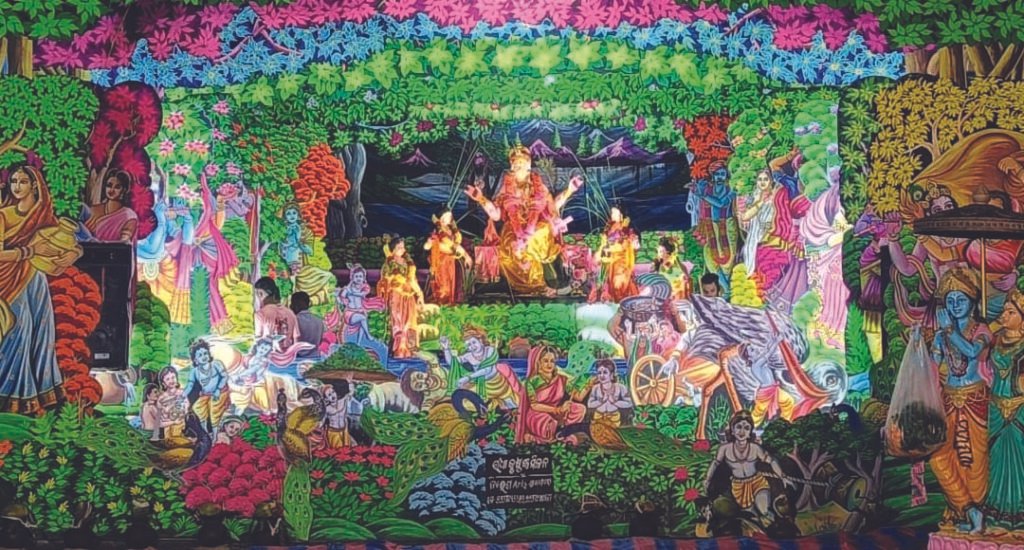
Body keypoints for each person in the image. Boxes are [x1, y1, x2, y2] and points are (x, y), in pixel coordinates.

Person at [0, 165, 82, 414]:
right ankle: (12, 396)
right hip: (10, 279)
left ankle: (46, 394)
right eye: (14, 181)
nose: (17, 187)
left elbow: (66, 242)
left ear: (35, 185)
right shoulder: (3, 215)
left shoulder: (43, 214)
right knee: (20, 328)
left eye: (22, 181)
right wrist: (30, 251)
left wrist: (74, 253)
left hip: (36, 278)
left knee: (43, 331)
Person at [465, 145, 581, 296]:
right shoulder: (506, 187)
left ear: (529, 165)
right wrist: (480, 198)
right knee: (513, 245)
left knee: (539, 234)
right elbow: (496, 215)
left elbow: (553, 206)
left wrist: (569, 190)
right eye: (516, 163)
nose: (519, 165)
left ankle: (550, 281)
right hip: (513, 230)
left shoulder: (539, 186)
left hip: (536, 227)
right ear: (512, 166)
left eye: (522, 162)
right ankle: (524, 287)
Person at [930, 267, 992, 534]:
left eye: (961, 299)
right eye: (950, 300)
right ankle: (967, 508)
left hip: (975, 399)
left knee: (976, 461)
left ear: (973, 302)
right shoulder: (940, 335)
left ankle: (980, 514)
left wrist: (948, 331)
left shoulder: (981, 330)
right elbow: (932, 369)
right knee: (940, 458)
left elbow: (971, 351)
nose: (955, 305)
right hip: (948, 400)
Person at [703, 411, 792, 526]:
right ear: (732, 430)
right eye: (739, 427)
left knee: (764, 510)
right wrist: (707, 479)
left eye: (746, 428)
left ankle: (777, 526)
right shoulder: (724, 449)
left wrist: (782, 476)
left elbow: (772, 461)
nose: (742, 431)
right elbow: (715, 463)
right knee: (752, 516)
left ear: (750, 432)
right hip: (738, 487)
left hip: (757, 483)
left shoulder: (755, 448)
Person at [983, 289, 1024, 530]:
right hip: (996, 406)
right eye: (1004, 311)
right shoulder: (996, 340)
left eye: (1011, 312)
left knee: (1019, 460)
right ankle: (997, 515)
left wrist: (1016, 401)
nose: (1005, 316)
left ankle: (1018, 517)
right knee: (997, 460)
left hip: (1019, 407)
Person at [441, 325, 521, 411]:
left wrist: (468, 378)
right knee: (467, 404)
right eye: (469, 345)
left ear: (480, 340)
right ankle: (495, 404)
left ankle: (499, 404)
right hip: (482, 386)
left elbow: (487, 369)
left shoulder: (490, 350)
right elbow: (452, 363)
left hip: (498, 385)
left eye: (474, 342)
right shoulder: (468, 356)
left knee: (513, 404)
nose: (472, 346)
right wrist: (446, 349)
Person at [517, 345, 586, 443]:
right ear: (538, 362)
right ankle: (540, 439)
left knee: (579, 409)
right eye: (545, 361)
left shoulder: (561, 379)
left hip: (556, 413)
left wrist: (589, 384)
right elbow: (534, 405)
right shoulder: (532, 382)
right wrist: (558, 410)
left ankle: (563, 432)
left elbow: (578, 397)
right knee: (547, 422)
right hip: (538, 414)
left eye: (552, 361)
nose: (549, 364)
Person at [693, 163, 738, 297]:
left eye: (722, 174)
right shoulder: (708, 189)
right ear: (713, 175)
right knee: (710, 258)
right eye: (717, 174)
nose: (719, 177)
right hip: (711, 227)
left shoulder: (731, 189)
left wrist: (702, 196)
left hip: (727, 226)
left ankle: (726, 291)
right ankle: (726, 288)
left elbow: (721, 203)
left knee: (728, 260)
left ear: (726, 175)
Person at [377, 238, 424, 358]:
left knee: (410, 322)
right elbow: (384, 281)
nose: (402, 250)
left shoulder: (408, 264)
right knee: (398, 322)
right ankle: (399, 349)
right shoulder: (389, 264)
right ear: (392, 250)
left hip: (408, 297)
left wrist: (419, 294)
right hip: (396, 296)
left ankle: (410, 348)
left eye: (403, 247)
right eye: (399, 247)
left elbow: (412, 280)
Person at [333, 264, 388, 362]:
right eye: (356, 276)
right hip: (350, 313)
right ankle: (368, 335)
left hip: (360, 311)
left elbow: (362, 294)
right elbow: (342, 296)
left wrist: (351, 292)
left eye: (361, 276)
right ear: (352, 277)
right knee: (362, 318)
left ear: (364, 278)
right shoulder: (347, 289)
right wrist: (346, 291)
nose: (359, 278)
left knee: (362, 324)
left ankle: (358, 344)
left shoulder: (364, 288)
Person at [591, 206, 640, 303]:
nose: (612, 215)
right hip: (612, 262)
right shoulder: (609, 228)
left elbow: (626, 245)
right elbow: (604, 244)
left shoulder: (626, 229)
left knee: (620, 283)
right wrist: (598, 254)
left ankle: (625, 303)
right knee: (611, 284)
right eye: (612, 213)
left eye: (615, 213)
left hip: (622, 261)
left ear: (621, 215)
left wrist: (611, 248)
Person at [424, 210, 471, 306]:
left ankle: (450, 302)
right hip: (441, 261)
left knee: (451, 281)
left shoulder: (451, 230)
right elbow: (427, 246)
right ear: (440, 219)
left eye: (449, 216)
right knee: (443, 284)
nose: (447, 219)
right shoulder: (438, 231)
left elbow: (456, 245)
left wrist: (465, 255)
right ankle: (442, 302)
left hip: (450, 260)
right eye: (445, 217)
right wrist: (429, 243)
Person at [183, 339, 229, 432]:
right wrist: (182, 396)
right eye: (200, 355)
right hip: (205, 394)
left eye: (205, 353)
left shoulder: (216, 364)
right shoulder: (194, 371)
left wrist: (218, 389)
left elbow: (225, 376)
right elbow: (190, 386)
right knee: (197, 408)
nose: (204, 357)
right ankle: (205, 432)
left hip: (220, 392)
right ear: (195, 360)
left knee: (214, 411)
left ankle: (215, 436)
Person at [81, 170, 138, 243]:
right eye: (109, 185)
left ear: (124, 190)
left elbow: (124, 242)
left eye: (117, 187)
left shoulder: (128, 216)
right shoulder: (94, 210)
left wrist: (104, 244)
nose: (111, 190)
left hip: (115, 250)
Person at [254, 277, 299, 351]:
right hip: (288, 356)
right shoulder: (290, 313)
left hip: (269, 356)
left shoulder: (260, 314)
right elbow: (296, 341)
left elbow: (258, 341)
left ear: (260, 294)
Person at [586, 359, 633, 428]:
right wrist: (601, 401)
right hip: (598, 417)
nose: (602, 376)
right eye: (599, 373)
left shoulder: (620, 387)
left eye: (605, 372)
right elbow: (589, 404)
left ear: (611, 374)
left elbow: (629, 403)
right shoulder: (595, 388)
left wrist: (614, 402)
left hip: (614, 418)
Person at [291, 291, 326, 360]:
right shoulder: (319, 321)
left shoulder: (294, 321)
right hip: (316, 358)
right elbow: (321, 340)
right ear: (308, 304)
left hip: (297, 360)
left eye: (291, 304)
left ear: (295, 305)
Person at [156, 367, 187, 439]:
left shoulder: (181, 393)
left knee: (179, 439)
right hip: (167, 425)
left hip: (180, 424)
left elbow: (186, 406)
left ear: (177, 378)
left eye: (173, 377)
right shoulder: (161, 398)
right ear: (163, 383)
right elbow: (159, 416)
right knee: (169, 440)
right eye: (168, 379)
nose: (171, 381)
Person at [323, 380, 352, 448]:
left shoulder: (343, 400)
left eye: (333, 392)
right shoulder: (327, 409)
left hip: (344, 431)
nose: (332, 396)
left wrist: (349, 382)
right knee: (337, 451)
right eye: (329, 395)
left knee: (347, 450)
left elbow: (350, 392)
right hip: (333, 432)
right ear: (326, 399)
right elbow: (322, 421)